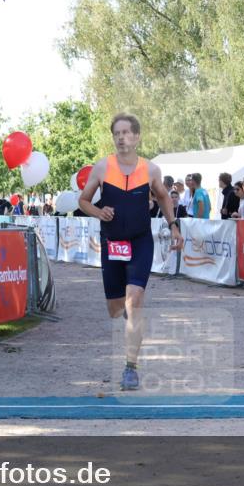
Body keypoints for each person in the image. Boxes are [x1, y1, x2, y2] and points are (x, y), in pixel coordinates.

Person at [78, 112, 183, 391]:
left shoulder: (150, 170)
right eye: (117, 133)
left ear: (136, 137)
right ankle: (127, 313)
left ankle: (130, 368)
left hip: (139, 242)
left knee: (134, 300)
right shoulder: (102, 168)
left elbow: (162, 196)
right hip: (112, 244)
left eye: (126, 132)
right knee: (116, 309)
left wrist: (173, 225)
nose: (121, 137)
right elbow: (83, 201)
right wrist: (100, 211)